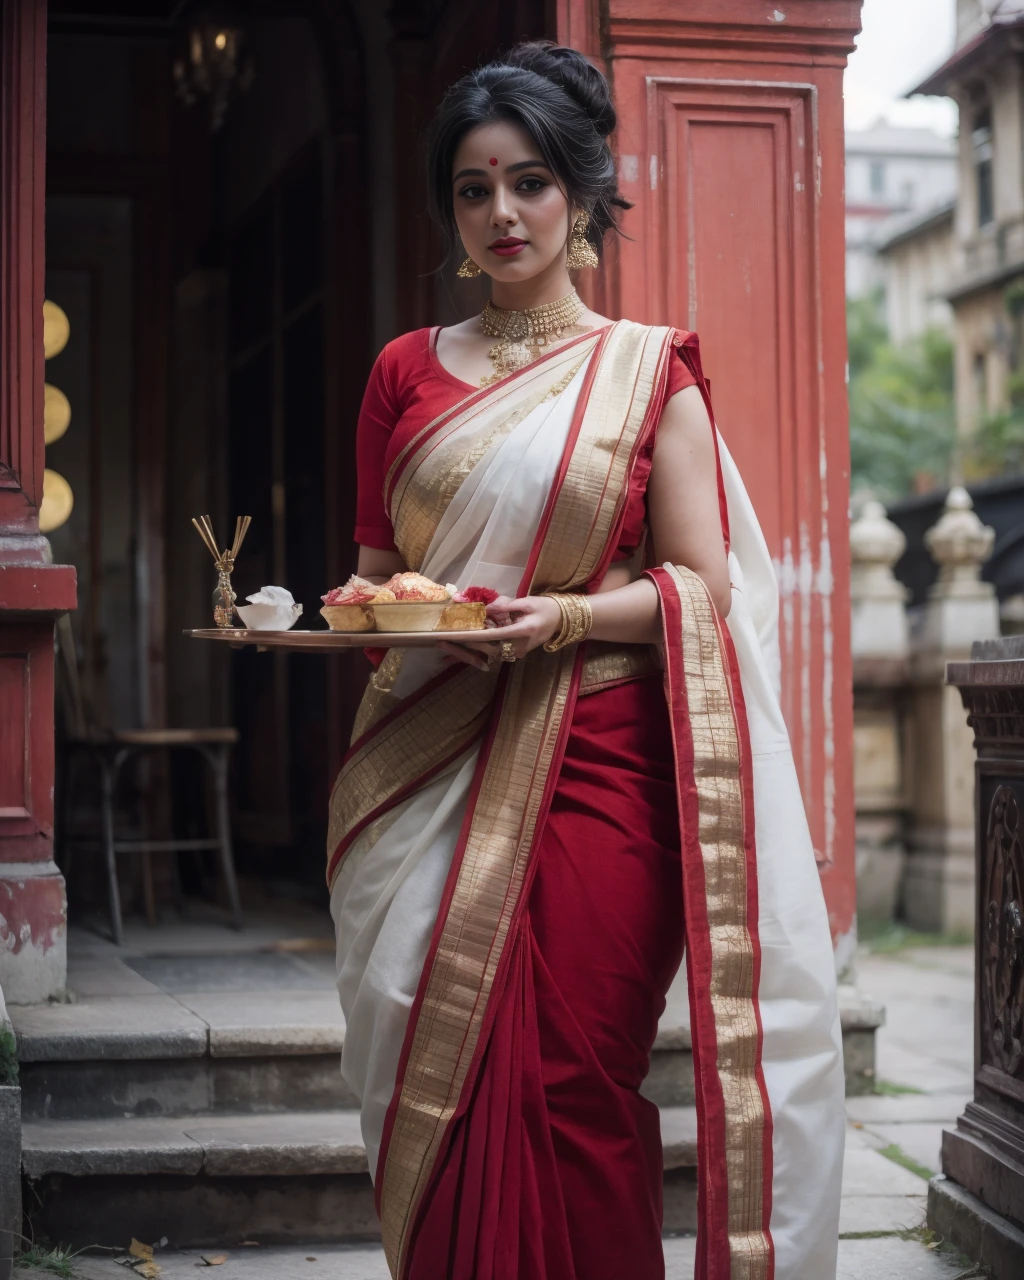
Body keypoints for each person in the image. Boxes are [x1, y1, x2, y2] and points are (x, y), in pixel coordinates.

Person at [328, 40, 844, 1280]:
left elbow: (703, 588)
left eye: (529, 182)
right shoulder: (404, 369)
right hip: (430, 752)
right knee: (426, 1052)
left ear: (581, 194)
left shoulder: (648, 371)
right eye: (471, 187)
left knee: (572, 1071)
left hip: (605, 761)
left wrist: (557, 619)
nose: (501, 213)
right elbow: (372, 567)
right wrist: (353, 601)